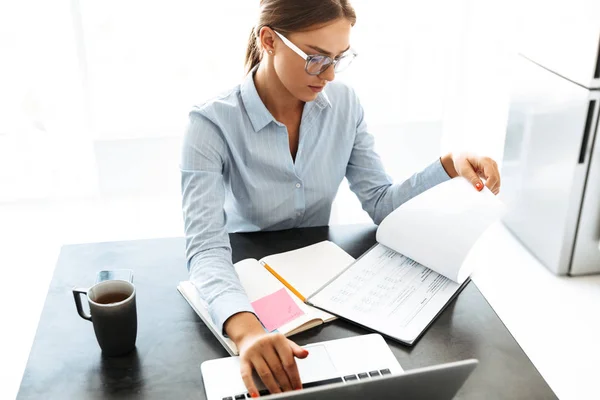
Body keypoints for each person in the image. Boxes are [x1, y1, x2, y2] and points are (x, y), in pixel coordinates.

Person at [180, 0, 501, 397]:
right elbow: (206, 247)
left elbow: (381, 204)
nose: (329, 75)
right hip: (244, 282)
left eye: (338, 59)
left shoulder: (344, 106)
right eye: (316, 59)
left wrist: (447, 165)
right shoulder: (210, 123)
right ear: (269, 40)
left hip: (322, 288)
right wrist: (247, 334)